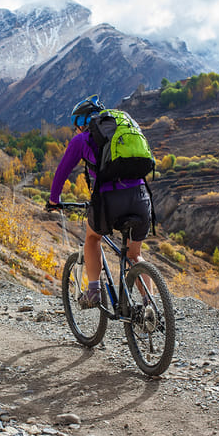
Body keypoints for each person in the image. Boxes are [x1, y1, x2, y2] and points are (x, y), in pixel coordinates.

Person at [46, 95, 153, 308]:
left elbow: (62, 171)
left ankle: (94, 290)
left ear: (83, 123)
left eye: (76, 123)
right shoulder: (123, 132)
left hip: (109, 200)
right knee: (135, 254)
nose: (75, 129)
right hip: (141, 197)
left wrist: (54, 199)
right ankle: (150, 306)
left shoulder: (81, 139)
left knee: (93, 238)